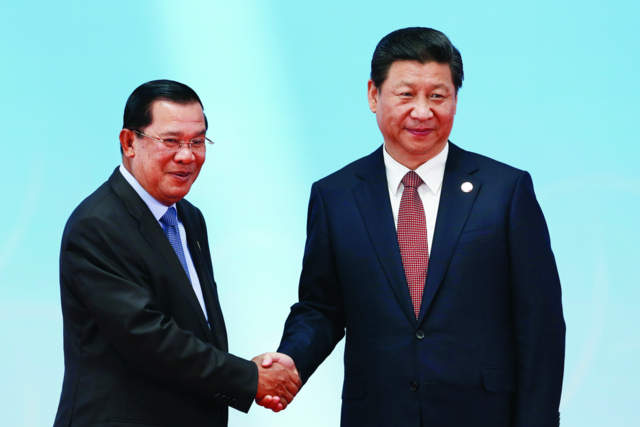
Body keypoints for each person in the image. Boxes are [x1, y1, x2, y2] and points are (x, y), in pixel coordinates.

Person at [260, 28, 566, 426]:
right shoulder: (335, 196)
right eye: (406, 95)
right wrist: (290, 359)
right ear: (374, 95)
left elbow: (540, 323)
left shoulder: (505, 191)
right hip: (376, 414)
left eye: (437, 96)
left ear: (456, 98)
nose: (423, 112)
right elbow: (321, 306)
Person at [54, 79, 300, 426]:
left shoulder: (188, 218)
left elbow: (197, 331)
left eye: (197, 142)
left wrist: (247, 374)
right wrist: (249, 378)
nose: (187, 155)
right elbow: (147, 338)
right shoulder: (98, 225)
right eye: (170, 141)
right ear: (129, 143)